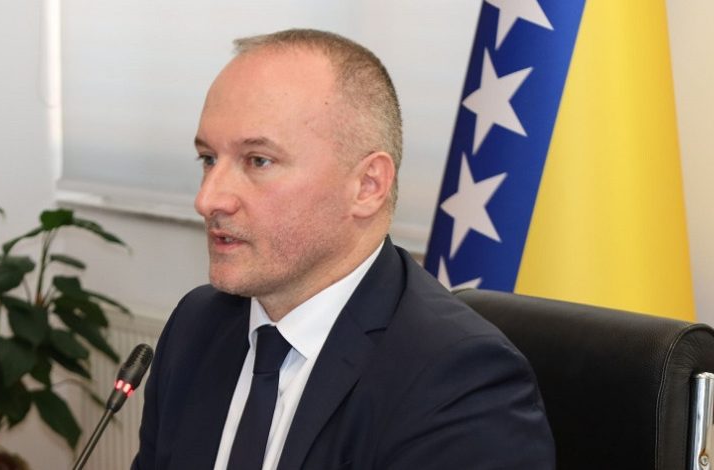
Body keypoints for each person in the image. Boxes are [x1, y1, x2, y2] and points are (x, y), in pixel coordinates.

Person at [132, 29, 554, 470]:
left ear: (367, 186)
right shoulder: (197, 326)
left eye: (258, 161)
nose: (208, 199)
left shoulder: (460, 384)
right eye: (208, 159)